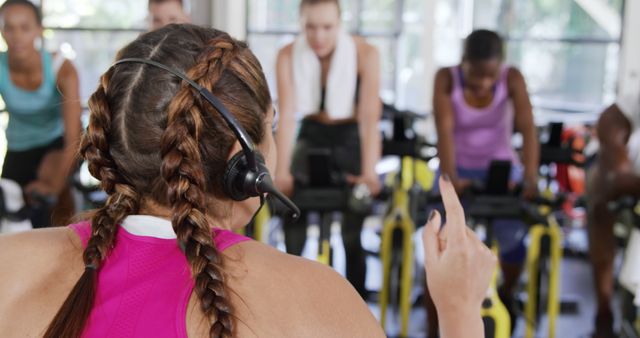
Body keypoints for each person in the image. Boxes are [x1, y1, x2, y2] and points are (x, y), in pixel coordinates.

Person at [0, 24, 495, 338]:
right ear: (246, 165)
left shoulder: (10, 264)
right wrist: (458, 311)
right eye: (272, 124)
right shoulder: (317, 301)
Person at [429, 29, 539, 336]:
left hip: (501, 170)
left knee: (513, 235)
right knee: (442, 237)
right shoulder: (446, 79)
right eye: (476, 75)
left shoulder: (512, 78)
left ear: (500, 67)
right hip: (458, 168)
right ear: (463, 63)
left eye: (490, 76)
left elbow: (529, 129)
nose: (483, 83)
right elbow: (445, 133)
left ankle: (508, 292)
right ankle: (435, 314)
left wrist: (529, 178)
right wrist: (451, 181)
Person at [274, 0, 382, 298]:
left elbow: (370, 118)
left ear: (339, 23)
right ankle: (292, 301)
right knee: (289, 215)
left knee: (352, 233)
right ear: (301, 24)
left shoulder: (366, 54)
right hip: (311, 134)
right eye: (310, 27)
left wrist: (369, 173)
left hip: (349, 137)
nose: (318, 36)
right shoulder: (286, 55)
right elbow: (286, 116)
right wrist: (281, 172)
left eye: (327, 27)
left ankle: (358, 309)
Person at [0, 0, 82, 227]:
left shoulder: (62, 68)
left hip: (57, 144)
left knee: (53, 210)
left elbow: (73, 136)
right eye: (9, 28)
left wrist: (55, 185)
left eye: (25, 28)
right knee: (11, 212)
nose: (17, 36)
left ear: (38, 29)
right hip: (18, 147)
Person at [588, 92, 640, 338]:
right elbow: (612, 118)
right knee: (601, 195)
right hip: (626, 174)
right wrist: (618, 163)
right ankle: (604, 310)